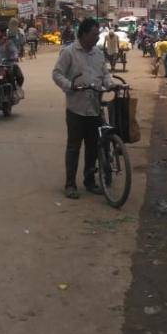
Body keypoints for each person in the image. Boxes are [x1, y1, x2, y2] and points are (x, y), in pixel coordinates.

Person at [52, 17, 114, 199]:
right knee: (73, 148)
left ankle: (89, 181)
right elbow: (57, 74)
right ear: (84, 34)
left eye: (98, 35)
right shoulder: (69, 52)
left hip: (94, 107)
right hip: (76, 108)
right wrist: (70, 85)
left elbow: (105, 73)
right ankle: (70, 184)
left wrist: (109, 84)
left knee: (92, 147)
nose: (97, 38)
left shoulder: (98, 53)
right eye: (94, 35)